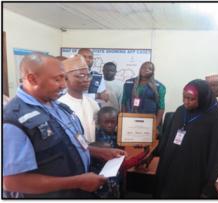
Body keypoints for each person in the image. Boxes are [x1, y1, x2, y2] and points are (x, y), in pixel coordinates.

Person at [3, 54, 126, 198]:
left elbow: (70, 143)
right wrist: (76, 182)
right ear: (32, 79)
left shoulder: (58, 106)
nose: (63, 85)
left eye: (64, 78)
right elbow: (12, 182)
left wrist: (99, 152)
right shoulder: (13, 120)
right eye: (57, 79)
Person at [154, 79, 218, 198]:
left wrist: (210, 184)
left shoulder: (217, 120)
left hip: (193, 174)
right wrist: (154, 154)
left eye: (191, 99)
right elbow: (167, 138)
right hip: (170, 168)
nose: (186, 102)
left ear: (203, 98)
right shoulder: (180, 111)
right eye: (184, 97)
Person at [90, 106, 150, 198]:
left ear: (118, 122)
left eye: (112, 122)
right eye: (106, 122)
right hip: (101, 183)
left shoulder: (119, 137)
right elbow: (121, 164)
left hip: (116, 181)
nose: (109, 125)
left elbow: (122, 162)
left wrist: (139, 142)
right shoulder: (94, 138)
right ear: (99, 122)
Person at [58, 55, 99, 143]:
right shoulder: (60, 106)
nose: (86, 79)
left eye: (88, 75)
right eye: (81, 75)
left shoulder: (92, 103)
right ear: (66, 79)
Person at [122, 61, 166, 127]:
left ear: (152, 72)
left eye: (149, 69)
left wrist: (155, 126)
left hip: (149, 122)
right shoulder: (129, 83)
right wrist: (123, 121)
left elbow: (161, 108)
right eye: (144, 67)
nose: (146, 70)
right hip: (130, 120)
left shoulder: (159, 87)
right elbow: (124, 103)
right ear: (140, 69)